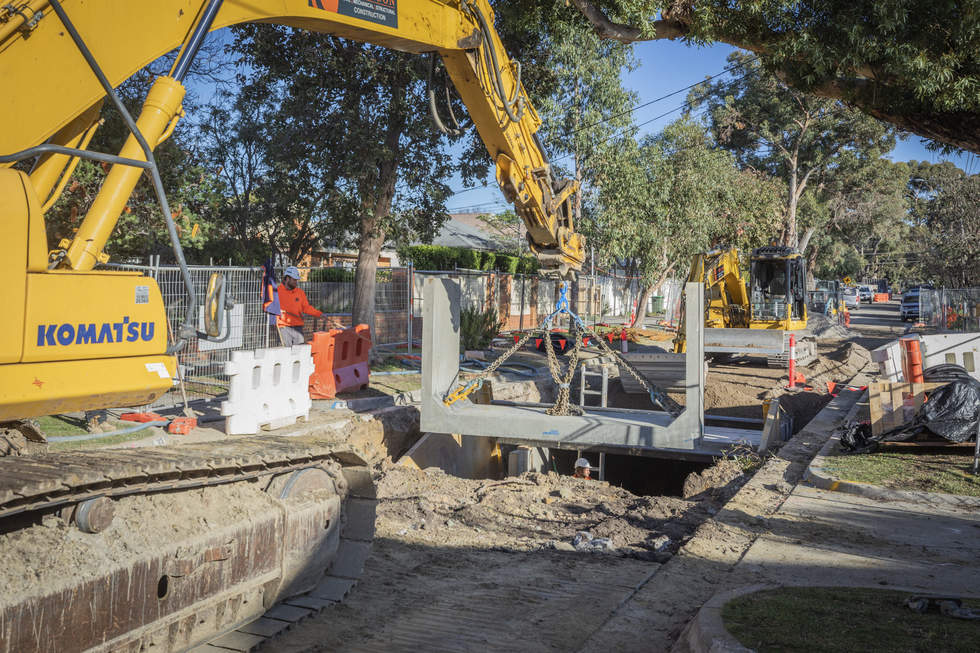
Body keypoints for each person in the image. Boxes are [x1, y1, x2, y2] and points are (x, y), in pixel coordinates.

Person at [276, 266, 323, 346]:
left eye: (296, 280)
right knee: (286, 353)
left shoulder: (300, 293)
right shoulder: (277, 292)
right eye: (294, 280)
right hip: (283, 327)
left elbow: (306, 308)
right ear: (287, 278)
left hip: (298, 327)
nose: (296, 282)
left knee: (299, 352)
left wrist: (319, 314)